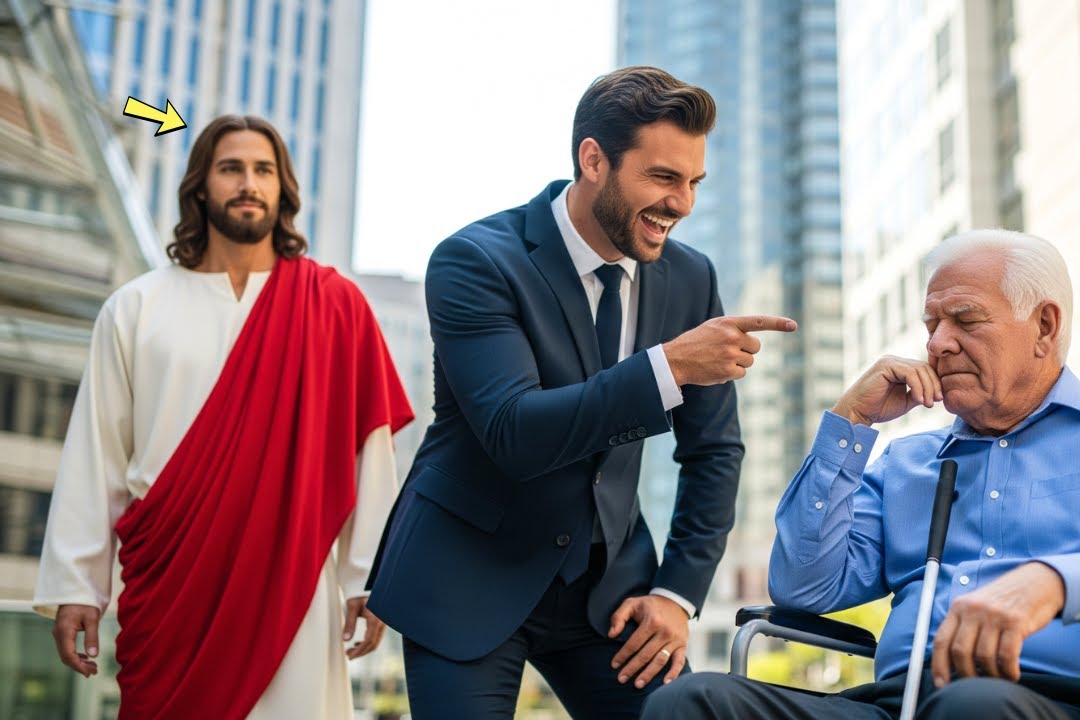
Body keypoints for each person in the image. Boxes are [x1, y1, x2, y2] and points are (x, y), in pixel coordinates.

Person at [643, 229, 1080, 719]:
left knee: (972, 707)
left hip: (1072, 703)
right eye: (932, 324)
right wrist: (849, 424)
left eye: (966, 319)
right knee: (691, 703)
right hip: (898, 704)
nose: (939, 344)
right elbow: (804, 587)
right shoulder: (908, 461)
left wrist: (1053, 581)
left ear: (1045, 327)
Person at [366, 65, 796, 719]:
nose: (682, 203)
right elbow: (513, 431)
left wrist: (678, 595)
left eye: (693, 183)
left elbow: (714, 451)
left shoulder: (689, 279)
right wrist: (668, 366)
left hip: (609, 592)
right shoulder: (476, 261)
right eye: (662, 177)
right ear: (593, 160)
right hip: (466, 574)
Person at [33, 115, 414, 720]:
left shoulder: (335, 306)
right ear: (200, 186)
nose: (248, 183)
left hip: (295, 581)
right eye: (230, 168)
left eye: (263, 170)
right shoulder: (135, 308)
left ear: (283, 189)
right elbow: (96, 452)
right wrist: (77, 586)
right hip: (171, 588)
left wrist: (366, 577)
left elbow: (372, 452)